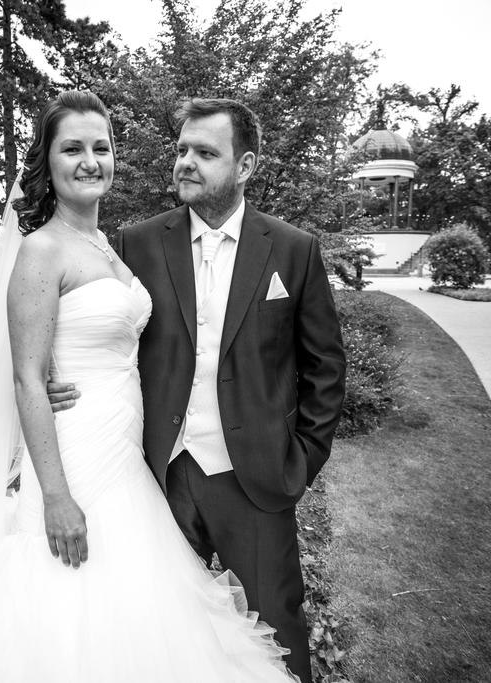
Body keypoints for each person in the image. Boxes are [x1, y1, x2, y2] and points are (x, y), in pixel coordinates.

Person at [0, 91, 298, 682]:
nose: (90, 161)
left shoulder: (112, 246)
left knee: (138, 614)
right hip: (72, 459)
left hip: (126, 456)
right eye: (72, 148)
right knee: (65, 607)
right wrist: (55, 496)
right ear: (47, 161)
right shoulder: (40, 250)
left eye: (101, 147)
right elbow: (27, 377)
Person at [49, 98, 346, 682]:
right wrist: (57, 378)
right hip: (157, 478)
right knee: (159, 638)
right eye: (182, 149)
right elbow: (102, 330)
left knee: (276, 633)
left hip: (255, 479)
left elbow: (325, 367)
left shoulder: (293, 249)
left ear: (245, 166)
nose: (186, 161)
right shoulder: (135, 243)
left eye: (206, 153)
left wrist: (302, 458)